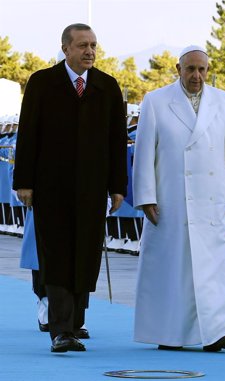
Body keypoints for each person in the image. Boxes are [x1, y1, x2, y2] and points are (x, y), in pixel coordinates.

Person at [13, 23, 127, 353]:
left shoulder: (107, 86)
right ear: (66, 49)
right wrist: (24, 181)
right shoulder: (42, 83)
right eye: (82, 46)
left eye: (93, 45)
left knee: (86, 254)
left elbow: (116, 141)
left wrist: (118, 185)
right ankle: (61, 329)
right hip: (51, 187)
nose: (89, 51)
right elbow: (28, 134)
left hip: (92, 189)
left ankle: (75, 323)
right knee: (58, 255)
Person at [132, 45, 225, 351]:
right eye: (191, 69)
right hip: (172, 198)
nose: (197, 76)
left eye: (202, 70)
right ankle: (170, 333)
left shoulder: (224, 101)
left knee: (216, 268)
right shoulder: (156, 101)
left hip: (213, 201)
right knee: (173, 270)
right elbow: (143, 154)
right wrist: (145, 196)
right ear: (178, 69)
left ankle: (219, 330)